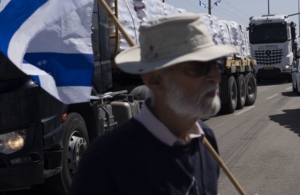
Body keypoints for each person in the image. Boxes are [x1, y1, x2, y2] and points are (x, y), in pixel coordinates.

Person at [69, 13, 238, 195]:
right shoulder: (106, 160)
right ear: (155, 79)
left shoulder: (206, 140)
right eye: (200, 67)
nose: (216, 77)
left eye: (217, 64)